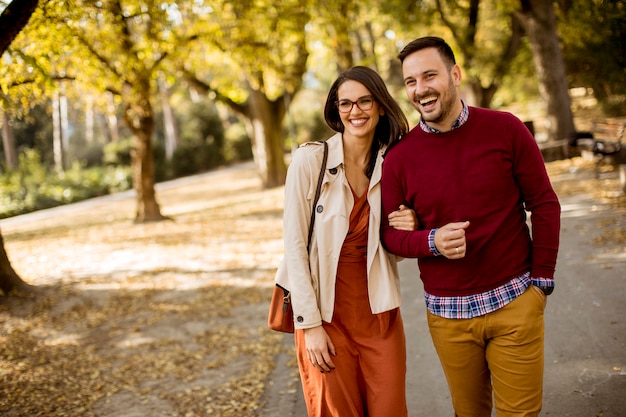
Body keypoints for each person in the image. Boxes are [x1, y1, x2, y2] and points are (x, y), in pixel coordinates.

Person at [380, 36, 561, 417]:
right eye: (411, 81)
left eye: (430, 75)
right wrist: (430, 241)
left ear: (455, 74)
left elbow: (544, 203)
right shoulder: (398, 159)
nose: (420, 89)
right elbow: (390, 235)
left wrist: (541, 282)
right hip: (447, 317)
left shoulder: (506, 129)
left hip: (515, 302)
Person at [280, 66, 414, 416]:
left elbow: (394, 249)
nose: (356, 111)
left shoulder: (394, 162)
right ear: (336, 110)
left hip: (379, 317)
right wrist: (309, 326)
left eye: (365, 101)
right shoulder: (310, 161)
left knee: (389, 409)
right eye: (346, 103)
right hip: (325, 318)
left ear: (381, 105)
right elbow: (294, 247)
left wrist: (408, 226)